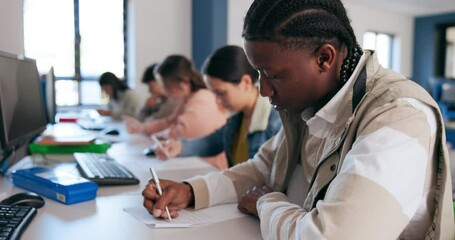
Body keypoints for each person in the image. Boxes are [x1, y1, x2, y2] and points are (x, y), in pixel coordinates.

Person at [142, 0, 455, 239]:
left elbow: (331, 236)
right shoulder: (310, 104)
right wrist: (192, 190)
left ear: (324, 58)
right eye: (259, 73)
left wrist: (267, 203)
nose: (263, 89)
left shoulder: (399, 116)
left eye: (273, 75)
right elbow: (263, 167)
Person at [155, 45, 282, 169]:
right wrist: (179, 146)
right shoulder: (238, 117)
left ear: (245, 82)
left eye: (221, 93)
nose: (217, 101)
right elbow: (211, 142)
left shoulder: (274, 122)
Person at [124, 55, 228, 139]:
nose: (165, 92)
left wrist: (155, 134)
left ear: (182, 83)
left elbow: (182, 132)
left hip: (210, 162)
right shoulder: (188, 98)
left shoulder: (202, 98)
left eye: (167, 87)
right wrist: (143, 128)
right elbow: (170, 121)